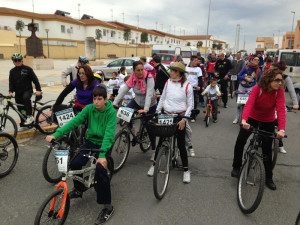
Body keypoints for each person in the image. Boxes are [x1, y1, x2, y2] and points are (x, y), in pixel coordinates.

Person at [45, 86, 116, 224]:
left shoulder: (111, 112)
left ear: (105, 99)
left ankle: (107, 206)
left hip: (103, 145)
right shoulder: (89, 108)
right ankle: (78, 189)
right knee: (75, 164)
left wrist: (102, 155)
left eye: (99, 99)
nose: (96, 102)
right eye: (94, 99)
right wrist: (56, 134)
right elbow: (74, 122)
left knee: (101, 170)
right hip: (90, 142)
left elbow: (109, 134)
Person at [231, 68, 286, 191]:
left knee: (267, 150)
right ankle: (236, 166)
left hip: (268, 120)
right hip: (252, 118)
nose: (279, 83)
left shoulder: (279, 91)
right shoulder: (258, 88)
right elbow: (249, 104)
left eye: (281, 80)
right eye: (277, 80)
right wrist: (244, 120)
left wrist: (282, 129)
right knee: (240, 141)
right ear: (269, 79)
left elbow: (281, 109)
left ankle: (268, 177)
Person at [147, 62, 193, 183]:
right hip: (166, 114)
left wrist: (184, 119)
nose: (170, 72)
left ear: (178, 72)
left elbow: (191, 105)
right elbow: (162, 98)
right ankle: (154, 165)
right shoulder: (168, 82)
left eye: (172, 70)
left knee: (181, 144)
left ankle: (186, 170)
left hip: (180, 117)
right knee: (161, 141)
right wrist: (157, 112)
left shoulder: (188, 85)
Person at [113, 61, 157, 161]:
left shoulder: (149, 78)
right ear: (134, 71)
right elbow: (124, 89)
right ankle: (133, 130)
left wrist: (145, 109)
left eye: (142, 69)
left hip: (149, 104)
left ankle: (154, 151)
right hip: (137, 101)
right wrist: (115, 102)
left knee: (150, 128)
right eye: (138, 70)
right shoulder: (132, 77)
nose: (141, 72)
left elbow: (149, 95)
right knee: (124, 115)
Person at [269, 60, 299, 154]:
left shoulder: (285, 78)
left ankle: (280, 144)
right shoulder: (267, 77)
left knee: (279, 124)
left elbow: (291, 90)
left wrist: (295, 103)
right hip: (267, 104)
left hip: (278, 105)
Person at [8, 53, 42, 127]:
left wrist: (38, 90)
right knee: (20, 108)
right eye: (15, 60)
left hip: (28, 90)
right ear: (13, 61)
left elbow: (35, 80)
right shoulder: (12, 71)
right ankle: (24, 121)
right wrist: (10, 92)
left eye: (19, 60)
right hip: (18, 93)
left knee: (26, 98)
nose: (17, 62)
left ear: (22, 60)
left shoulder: (28, 69)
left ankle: (30, 116)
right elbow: (11, 83)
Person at [232, 56, 262, 124]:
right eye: (255, 59)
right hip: (242, 86)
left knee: (249, 104)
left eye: (258, 60)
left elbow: (260, 80)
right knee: (239, 104)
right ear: (252, 60)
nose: (256, 61)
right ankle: (237, 117)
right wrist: (246, 78)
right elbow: (239, 75)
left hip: (251, 87)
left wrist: (259, 88)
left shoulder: (258, 70)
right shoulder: (246, 67)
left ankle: (246, 118)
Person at [186, 55, 203, 122]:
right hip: (186, 88)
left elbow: (200, 79)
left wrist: (199, 86)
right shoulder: (186, 68)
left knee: (194, 102)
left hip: (194, 88)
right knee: (186, 102)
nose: (197, 62)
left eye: (197, 60)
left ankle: (193, 116)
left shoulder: (198, 69)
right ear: (191, 60)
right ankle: (187, 115)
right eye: (195, 60)